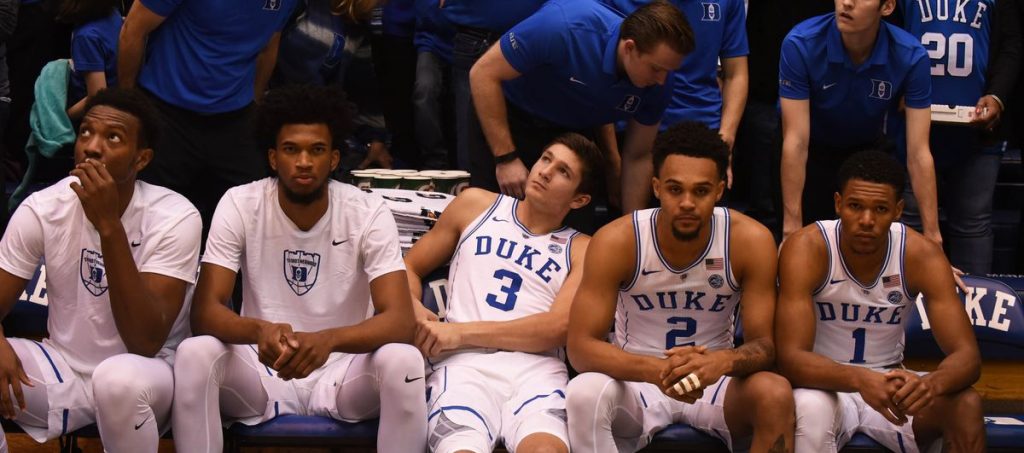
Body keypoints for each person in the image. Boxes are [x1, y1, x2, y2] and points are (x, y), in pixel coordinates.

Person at [170, 85, 426, 453]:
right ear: (273, 158)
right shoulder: (241, 203)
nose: (303, 161)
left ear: (335, 159)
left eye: (316, 150)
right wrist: (260, 330)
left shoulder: (367, 210)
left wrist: (328, 339)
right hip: (261, 371)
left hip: (345, 373)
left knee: (404, 360)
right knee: (194, 353)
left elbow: (400, 320)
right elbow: (205, 311)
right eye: (291, 149)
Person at [566, 122, 794, 453]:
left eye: (700, 191)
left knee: (775, 393)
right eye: (675, 189)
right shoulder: (618, 240)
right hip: (638, 380)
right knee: (584, 393)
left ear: (718, 190)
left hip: (715, 381)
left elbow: (765, 346)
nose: (687, 202)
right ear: (656, 187)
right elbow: (581, 347)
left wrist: (722, 362)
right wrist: (659, 370)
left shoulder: (750, 240)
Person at [0, 88, 201, 452]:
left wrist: (109, 225)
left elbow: (144, 340)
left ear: (141, 159)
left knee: (116, 380)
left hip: (151, 375)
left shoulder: (176, 216)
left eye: (112, 137)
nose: (92, 147)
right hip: (63, 367)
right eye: (86, 133)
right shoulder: (43, 207)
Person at [404, 133, 603, 453]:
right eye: (546, 158)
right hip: (462, 369)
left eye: (564, 171)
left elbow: (558, 328)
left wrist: (458, 332)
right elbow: (408, 268)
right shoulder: (475, 204)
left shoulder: (583, 249)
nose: (545, 171)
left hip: (536, 374)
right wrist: (412, 306)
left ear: (579, 200)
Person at [776, 150, 984, 453]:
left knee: (966, 403)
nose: (866, 220)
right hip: (823, 386)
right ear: (838, 204)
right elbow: (791, 359)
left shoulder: (921, 254)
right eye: (855, 206)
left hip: (890, 383)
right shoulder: (808, 247)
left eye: (881, 209)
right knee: (811, 407)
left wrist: (930, 384)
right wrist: (861, 380)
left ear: (898, 210)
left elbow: (967, 356)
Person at [469, 0, 694, 215]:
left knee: (573, 231)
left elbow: (638, 155)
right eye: (656, 68)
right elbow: (483, 74)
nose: (662, 80)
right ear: (629, 48)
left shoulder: (658, 82)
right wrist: (506, 159)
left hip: (573, 135)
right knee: (492, 219)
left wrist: (633, 228)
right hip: (509, 118)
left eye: (668, 70)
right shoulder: (563, 26)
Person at [119, 0, 299, 234]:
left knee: (250, 217)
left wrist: (253, 102)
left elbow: (268, 46)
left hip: (234, 116)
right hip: (166, 109)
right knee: (151, 219)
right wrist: (127, 106)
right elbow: (132, 30)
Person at [779, 0, 941, 245]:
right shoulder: (801, 43)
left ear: (886, 8)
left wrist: (933, 236)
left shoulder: (911, 55)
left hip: (865, 152)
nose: (846, 3)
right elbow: (796, 142)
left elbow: (918, 153)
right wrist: (790, 230)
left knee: (865, 245)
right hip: (811, 151)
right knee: (807, 247)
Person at [891, 0, 1022, 275]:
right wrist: (896, 87)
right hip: (912, 129)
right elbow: (885, 37)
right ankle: (908, 307)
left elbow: (1011, 45)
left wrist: (997, 95)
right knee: (910, 219)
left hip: (977, 132)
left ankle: (974, 307)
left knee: (973, 223)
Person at [605, 0, 749, 184]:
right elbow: (601, 73)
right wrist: (611, 157)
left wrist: (725, 140)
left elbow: (736, 74)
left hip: (702, 131)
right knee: (631, 212)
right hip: (630, 127)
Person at [58, 0, 121, 120]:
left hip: (94, 115)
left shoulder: (86, 37)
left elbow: (96, 96)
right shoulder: (113, 14)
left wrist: (63, 120)